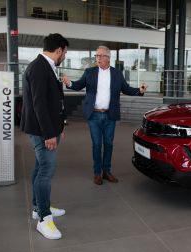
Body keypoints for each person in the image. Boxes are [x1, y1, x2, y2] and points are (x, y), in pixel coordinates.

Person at [62, 46, 147, 185]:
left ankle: (106, 172)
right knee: (96, 144)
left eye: (101, 56)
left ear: (108, 58)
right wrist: (69, 83)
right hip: (94, 115)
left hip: (110, 115)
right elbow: (78, 85)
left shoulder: (117, 74)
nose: (98, 58)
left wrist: (139, 90)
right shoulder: (89, 72)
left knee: (108, 144)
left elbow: (126, 89)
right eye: (97, 55)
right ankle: (97, 173)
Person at [20, 33, 69, 240]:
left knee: (40, 167)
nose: (64, 56)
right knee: (46, 170)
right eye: (65, 53)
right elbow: (39, 104)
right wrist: (49, 134)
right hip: (42, 131)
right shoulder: (39, 67)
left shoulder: (45, 65)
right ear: (58, 50)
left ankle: (38, 207)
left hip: (48, 128)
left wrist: (60, 126)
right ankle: (44, 219)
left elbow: (53, 101)